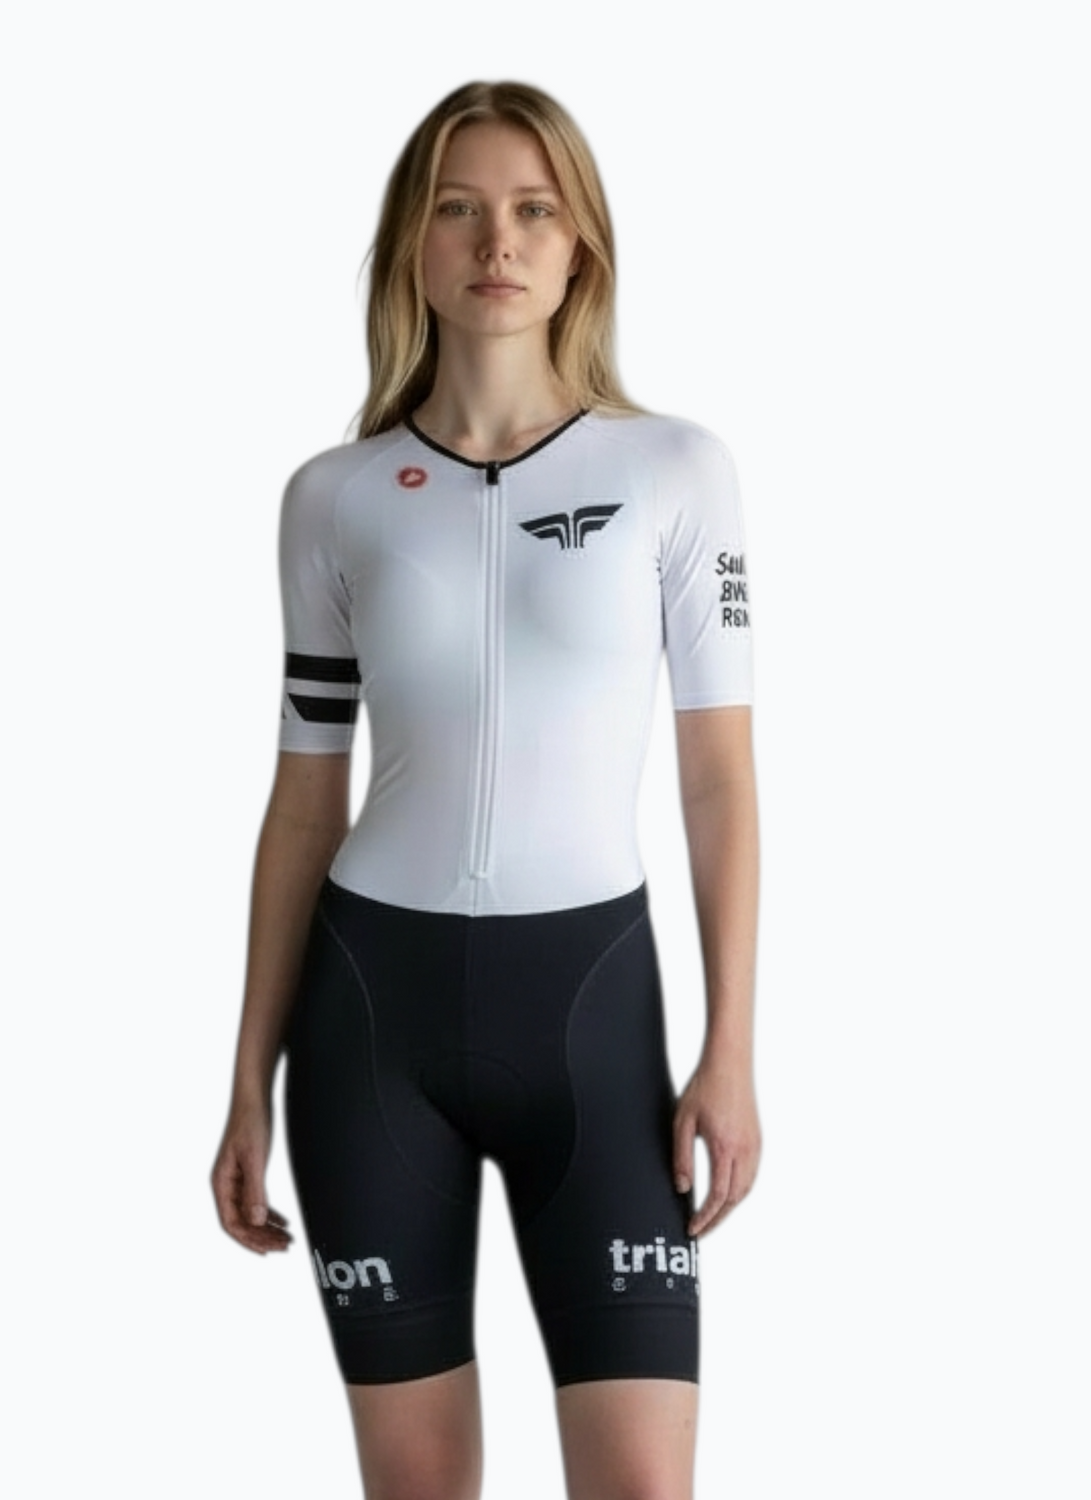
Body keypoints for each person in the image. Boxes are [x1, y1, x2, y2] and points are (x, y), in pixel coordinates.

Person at [211, 80, 761, 1500]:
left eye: (532, 210)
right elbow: (303, 799)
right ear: (413, 244)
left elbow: (718, 783)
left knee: (642, 1485)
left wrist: (732, 1049)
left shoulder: (676, 474)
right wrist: (248, 1082)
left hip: (593, 1017)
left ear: (582, 247)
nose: (496, 241)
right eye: (458, 208)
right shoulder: (333, 496)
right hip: (369, 1023)